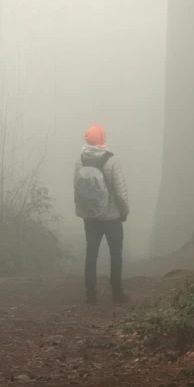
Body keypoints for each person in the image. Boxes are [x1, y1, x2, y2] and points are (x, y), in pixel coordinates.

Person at [73, 124, 130, 304]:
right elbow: (120, 192)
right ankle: (117, 293)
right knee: (116, 253)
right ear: (102, 139)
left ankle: (90, 294)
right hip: (111, 217)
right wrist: (124, 211)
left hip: (90, 217)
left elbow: (76, 187)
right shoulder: (111, 161)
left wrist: (83, 210)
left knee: (91, 254)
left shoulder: (80, 160)